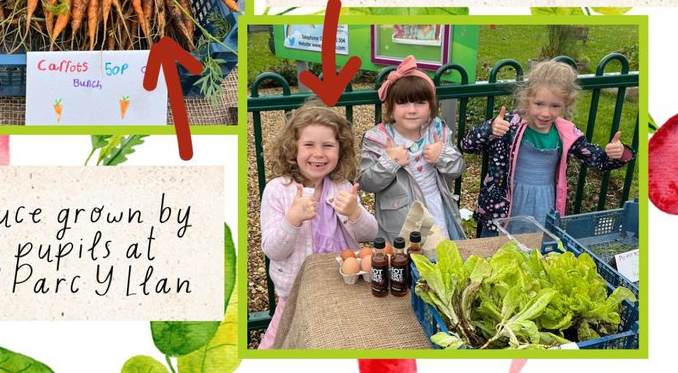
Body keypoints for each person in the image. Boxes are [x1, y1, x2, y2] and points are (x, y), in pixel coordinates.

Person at [461, 59, 634, 236]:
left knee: (537, 251)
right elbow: (468, 144)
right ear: (527, 99)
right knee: (494, 252)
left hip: (544, 203)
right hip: (502, 205)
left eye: (555, 106)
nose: (545, 113)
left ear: (566, 105)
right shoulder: (508, 126)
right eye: (539, 104)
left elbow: (597, 159)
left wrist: (617, 154)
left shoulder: (567, 134)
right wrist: (490, 129)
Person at [259, 101, 378, 350]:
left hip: (343, 283)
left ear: (340, 150)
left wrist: (355, 213)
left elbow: (370, 233)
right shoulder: (277, 191)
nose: (319, 153)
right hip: (297, 291)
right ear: (293, 148)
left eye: (328, 146)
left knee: (338, 339)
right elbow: (273, 250)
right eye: (309, 145)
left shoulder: (342, 187)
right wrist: (292, 221)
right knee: (286, 342)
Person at [359, 56, 465, 242]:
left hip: (436, 206)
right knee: (406, 259)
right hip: (400, 216)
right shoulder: (377, 138)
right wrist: (389, 162)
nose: (412, 110)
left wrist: (442, 156)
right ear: (390, 107)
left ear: (431, 106)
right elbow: (367, 183)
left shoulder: (437, 129)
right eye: (403, 103)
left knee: (438, 255)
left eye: (420, 103)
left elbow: (457, 169)